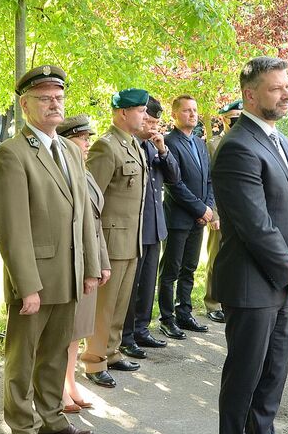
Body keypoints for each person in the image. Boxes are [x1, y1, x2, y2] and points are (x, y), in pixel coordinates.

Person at [211, 56, 288, 434]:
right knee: (245, 374)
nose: (286, 93)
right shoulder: (238, 146)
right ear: (250, 95)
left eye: (287, 86)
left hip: (286, 276)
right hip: (253, 282)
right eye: (277, 88)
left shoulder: (280, 140)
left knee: (274, 369)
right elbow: (255, 224)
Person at [0, 65, 100, 434]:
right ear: (24, 105)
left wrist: (90, 265)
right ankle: (22, 428)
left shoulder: (70, 150)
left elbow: (84, 213)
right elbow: (12, 227)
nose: (54, 103)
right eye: (44, 97)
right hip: (35, 277)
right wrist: (27, 285)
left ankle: (51, 416)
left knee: (56, 351)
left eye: (58, 97)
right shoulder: (11, 154)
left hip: (70, 271)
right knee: (24, 356)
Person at [80, 89, 148, 388]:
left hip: (131, 239)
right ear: (123, 112)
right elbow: (91, 200)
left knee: (120, 303)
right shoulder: (106, 147)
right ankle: (94, 361)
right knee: (104, 305)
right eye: (141, 110)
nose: (145, 116)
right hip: (110, 240)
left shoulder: (133, 144)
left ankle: (112, 350)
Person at [57, 115, 111, 412]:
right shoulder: (64, 171)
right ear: (66, 139)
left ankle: (70, 383)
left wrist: (102, 262)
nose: (88, 143)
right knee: (65, 332)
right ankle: (59, 390)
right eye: (82, 138)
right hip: (71, 260)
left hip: (89, 259)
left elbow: (96, 222)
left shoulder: (84, 171)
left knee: (78, 331)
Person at [120, 96, 180, 358]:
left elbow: (174, 178)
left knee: (147, 284)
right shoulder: (130, 145)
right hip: (134, 227)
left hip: (155, 225)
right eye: (149, 120)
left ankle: (142, 329)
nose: (153, 126)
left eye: (156, 122)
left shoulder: (155, 146)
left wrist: (164, 150)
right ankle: (125, 335)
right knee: (131, 286)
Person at [157, 94, 216, 339]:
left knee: (189, 268)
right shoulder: (169, 142)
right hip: (178, 218)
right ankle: (167, 318)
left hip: (199, 219)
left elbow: (209, 179)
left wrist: (208, 208)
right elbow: (175, 185)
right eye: (186, 111)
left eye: (194, 110)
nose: (192, 114)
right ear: (174, 115)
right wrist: (200, 209)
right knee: (171, 269)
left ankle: (185, 312)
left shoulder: (201, 144)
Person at [204, 99, 243, 324]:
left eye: (240, 117)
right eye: (232, 118)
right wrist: (215, 214)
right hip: (221, 211)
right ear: (223, 119)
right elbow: (211, 182)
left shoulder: (245, 142)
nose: (236, 121)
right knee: (216, 258)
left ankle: (231, 299)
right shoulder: (213, 145)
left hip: (242, 214)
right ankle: (212, 302)